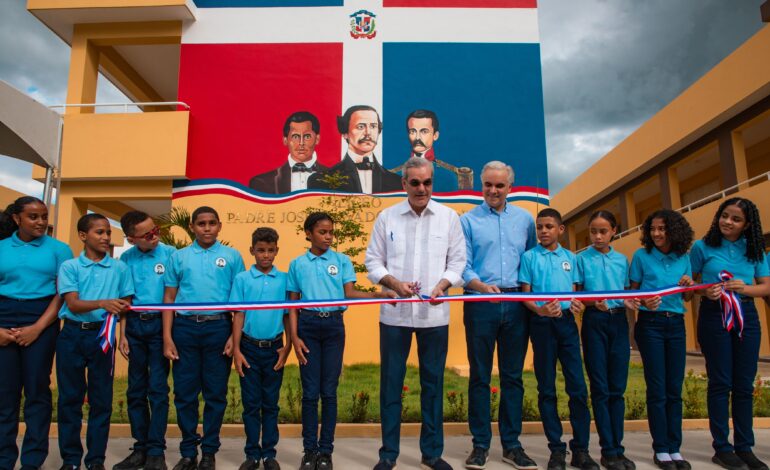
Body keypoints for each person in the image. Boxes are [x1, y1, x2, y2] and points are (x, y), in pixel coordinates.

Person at [365, 157, 466, 470]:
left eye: (427, 182)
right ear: (403, 184)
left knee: (433, 386)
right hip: (394, 317)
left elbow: (458, 262)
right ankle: (388, 455)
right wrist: (393, 283)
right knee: (391, 386)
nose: (422, 189)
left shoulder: (449, 218)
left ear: (432, 182)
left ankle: (432, 453)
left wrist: (443, 284)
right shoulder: (386, 218)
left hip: (434, 317)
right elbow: (373, 262)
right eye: (415, 183)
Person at [288, 212, 395, 470]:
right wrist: (294, 337)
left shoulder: (341, 261)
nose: (328, 237)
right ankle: (309, 452)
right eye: (322, 232)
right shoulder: (297, 264)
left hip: (334, 326)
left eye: (330, 232)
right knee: (310, 393)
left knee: (329, 391)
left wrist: (379, 295)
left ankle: (326, 452)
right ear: (309, 234)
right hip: (308, 327)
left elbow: (350, 293)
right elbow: (291, 304)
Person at [459, 161, 537, 470]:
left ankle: (512, 445)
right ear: (482, 185)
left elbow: (531, 260)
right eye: (488, 185)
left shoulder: (525, 220)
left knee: (513, 377)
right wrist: (479, 286)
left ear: (509, 188)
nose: (493, 190)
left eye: (499, 186)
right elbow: (461, 264)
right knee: (479, 376)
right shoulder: (468, 220)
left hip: (516, 304)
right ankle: (480, 445)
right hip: (480, 303)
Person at [162, 206, 245, 470]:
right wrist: (167, 337)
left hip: (219, 329)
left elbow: (240, 302)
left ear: (219, 226)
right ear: (192, 226)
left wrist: (235, 338)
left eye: (211, 223)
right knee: (185, 394)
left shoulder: (232, 257)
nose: (206, 228)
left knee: (215, 394)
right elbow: (169, 299)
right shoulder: (179, 257)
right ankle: (188, 451)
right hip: (184, 329)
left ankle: (209, 452)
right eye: (201, 223)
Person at [690, 198, 770, 470]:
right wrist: (704, 290)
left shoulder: (756, 249)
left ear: (747, 224)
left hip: (747, 315)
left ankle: (745, 447)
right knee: (720, 382)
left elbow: (766, 287)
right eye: (725, 216)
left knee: (744, 385)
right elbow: (689, 286)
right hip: (714, 315)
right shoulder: (702, 247)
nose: (728, 222)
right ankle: (722, 448)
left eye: (736, 219)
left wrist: (744, 289)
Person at [519, 208, 598, 470]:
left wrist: (577, 306)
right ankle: (556, 450)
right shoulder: (529, 257)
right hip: (541, 325)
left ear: (560, 229)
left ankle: (581, 450)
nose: (543, 231)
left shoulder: (571, 258)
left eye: (549, 226)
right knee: (547, 389)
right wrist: (540, 309)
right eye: (540, 226)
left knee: (577, 388)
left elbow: (576, 293)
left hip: (566, 325)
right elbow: (525, 295)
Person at [56, 213, 134, 470]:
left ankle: (95, 460)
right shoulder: (70, 267)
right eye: (99, 232)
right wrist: (102, 302)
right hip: (72, 335)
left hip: (104, 336)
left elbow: (124, 306)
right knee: (70, 399)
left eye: (108, 233)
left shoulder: (120, 267)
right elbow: (73, 303)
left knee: (101, 400)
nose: (105, 237)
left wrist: (122, 336)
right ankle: (70, 459)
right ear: (83, 236)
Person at [0, 197, 72, 470]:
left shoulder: (59, 250)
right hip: (3, 316)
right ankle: (4, 460)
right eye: (33, 217)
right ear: (17, 219)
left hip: (42, 318)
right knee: (4, 395)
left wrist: (37, 328)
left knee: (37, 392)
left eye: (44, 216)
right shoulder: (1, 248)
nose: (41, 221)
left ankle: (32, 461)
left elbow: (62, 293)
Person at [628, 209, 694, 470]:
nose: (656, 234)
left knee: (674, 389)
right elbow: (631, 296)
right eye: (652, 229)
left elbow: (687, 298)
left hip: (676, 324)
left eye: (662, 229)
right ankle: (661, 450)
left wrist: (688, 286)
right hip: (650, 325)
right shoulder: (642, 257)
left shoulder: (684, 258)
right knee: (657, 388)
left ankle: (675, 448)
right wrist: (644, 300)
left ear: (674, 231)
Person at [113, 211, 176, 470]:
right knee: (136, 390)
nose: (155, 235)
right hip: (136, 326)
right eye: (148, 234)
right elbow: (124, 299)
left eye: (156, 229)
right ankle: (140, 447)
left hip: (162, 325)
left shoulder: (171, 254)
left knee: (158, 390)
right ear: (131, 238)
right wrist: (122, 334)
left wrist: (168, 336)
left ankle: (156, 451)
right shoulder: (125, 259)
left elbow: (174, 296)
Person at [575, 211, 635, 470]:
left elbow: (625, 293)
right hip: (594, 322)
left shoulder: (622, 260)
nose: (597, 236)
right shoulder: (581, 259)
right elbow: (575, 294)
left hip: (619, 322)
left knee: (617, 389)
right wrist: (592, 302)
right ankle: (608, 451)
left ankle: (619, 449)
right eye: (593, 232)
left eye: (603, 231)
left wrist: (629, 301)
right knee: (599, 388)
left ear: (613, 231)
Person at [230, 227, 292, 470]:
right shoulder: (242, 279)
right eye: (260, 251)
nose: (265, 255)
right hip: (248, 348)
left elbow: (289, 315)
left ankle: (269, 453)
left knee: (271, 404)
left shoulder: (284, 279)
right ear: (252, 251)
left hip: (274, 348)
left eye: (270, 251)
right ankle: (252, 454)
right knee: (251, 404)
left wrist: (287, 346)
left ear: (276, 251)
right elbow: (238, 315)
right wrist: (236, 349)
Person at [307, 105, 401, 194]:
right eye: (361, 126)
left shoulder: (397, 182)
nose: (368, 133)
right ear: (345, 133)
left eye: (373, 126)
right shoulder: (320, 181)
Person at [248, 111, 329, 194]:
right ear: (285, 140)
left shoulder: (335, 179)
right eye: (295, 136)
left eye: (307, 136)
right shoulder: (261, 183)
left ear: (317, 139)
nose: (301, 143)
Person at [391, 110, 458, 193]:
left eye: (424, 131)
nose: (417, 137)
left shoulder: (449, 176)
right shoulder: (394, 176)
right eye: (413, 131)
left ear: (435, 135)